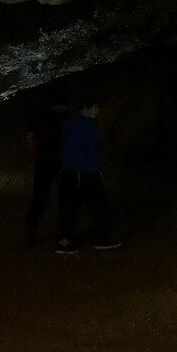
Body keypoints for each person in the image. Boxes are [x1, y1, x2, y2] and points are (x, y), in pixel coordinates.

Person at [55, 100, 120, 252]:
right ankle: (69, 241)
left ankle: (96, 238)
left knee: (79, 207)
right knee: (86, 206)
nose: (97, 111)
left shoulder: (72, 122)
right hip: (83, 172)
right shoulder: (85, 125)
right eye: (95, 107)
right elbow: (90, 148)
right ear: (86, 107)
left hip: (76, 171)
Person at [23, 96, 69, 246]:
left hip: (44, 161)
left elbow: (30, 137)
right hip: (57, 161)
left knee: (40, 197)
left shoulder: (40, 115)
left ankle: (32, 233)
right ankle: (62, 234)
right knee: (62, 197)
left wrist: (36, 154)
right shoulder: (64, 118)